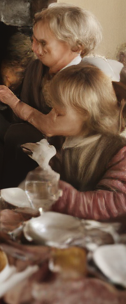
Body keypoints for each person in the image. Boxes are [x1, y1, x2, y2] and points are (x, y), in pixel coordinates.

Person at [0, 3, 102, 188]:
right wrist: (2, 98)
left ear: (76, 46)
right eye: (34, 40)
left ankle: (12, 198)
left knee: (19, 134)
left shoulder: (83, 79)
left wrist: (15, 103)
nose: (35, 49)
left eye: (43, 43)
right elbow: (19, 111)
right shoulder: (36, 67)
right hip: (28, 132)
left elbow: (52, 128)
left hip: (63, 150)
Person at [25, 65, 126, 220]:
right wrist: (46, 163)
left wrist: (58, 189)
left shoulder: (118, 152)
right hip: (61, 223)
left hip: (97, 234)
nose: (51, 116)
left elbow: (115, 204)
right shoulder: (62, 140)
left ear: (87, 114)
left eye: (59, 113)